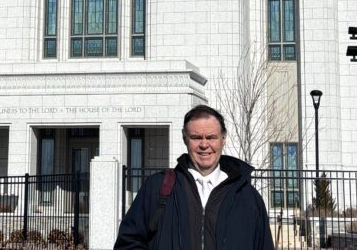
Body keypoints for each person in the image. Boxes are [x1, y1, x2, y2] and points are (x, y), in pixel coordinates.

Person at [115, 105, 274, 250]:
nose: (204, 145)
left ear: (223, 139)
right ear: (185, 138)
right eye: (196, 137)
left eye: (211, 137)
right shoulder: (157, 188)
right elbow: (128, 244)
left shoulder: (248, 197)